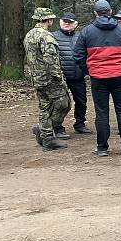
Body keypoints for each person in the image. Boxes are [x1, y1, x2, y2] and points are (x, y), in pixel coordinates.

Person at [74, 0, 121, 156]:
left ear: (95, 13)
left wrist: (89, 70)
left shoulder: (87, 31)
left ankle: (102, 147)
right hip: (119, 76)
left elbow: (78, 55)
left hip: (98, 77)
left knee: (101, 112)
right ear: (111, 12)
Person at [24, 8, 71, 151]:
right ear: (49, 20)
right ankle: (45, 131)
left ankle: (47, 138)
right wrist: (58, 78)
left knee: (45, 107)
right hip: (49, 79)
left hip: (37, 79)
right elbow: (51, 60)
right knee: (64, 104)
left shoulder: (29, 35)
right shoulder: (46, 37)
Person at [52, 12, 92, 134]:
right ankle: (58, 127)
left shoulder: (81, 36)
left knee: (81, 101)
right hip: (60, 77)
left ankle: (80, 124)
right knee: (60, 103)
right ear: (60, 22)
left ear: (76, 24)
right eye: (64, 21)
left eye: (69, 22)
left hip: (78, 76)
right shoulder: (53, 36)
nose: (66, 24)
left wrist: (86, 70)